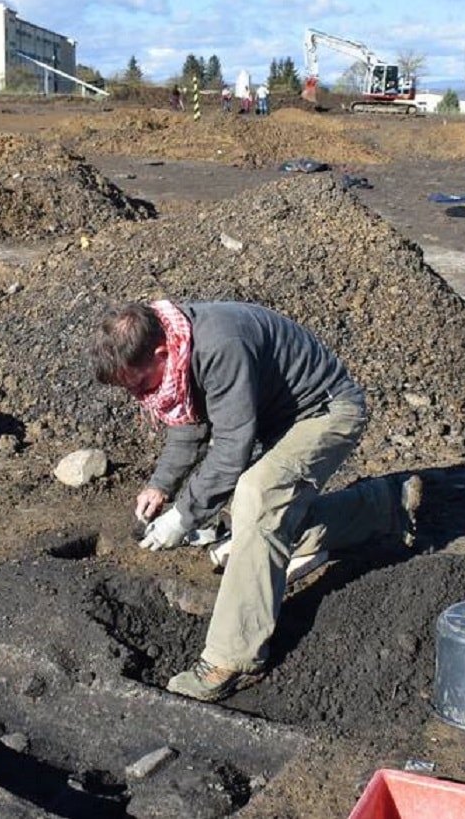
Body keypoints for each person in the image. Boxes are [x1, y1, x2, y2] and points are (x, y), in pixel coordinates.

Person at [90, 300, 422, 702]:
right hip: (281, 419)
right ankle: (383, 505)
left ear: (161, 353)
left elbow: (231, 449)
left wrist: (185, 516)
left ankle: (232, 658)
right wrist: (162, 486)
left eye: (140, 385)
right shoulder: (177, 341)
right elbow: (189, 422)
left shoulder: (220, 345)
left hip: (326, 412)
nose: (140, 397)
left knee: (257, 498)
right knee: (261, 523)